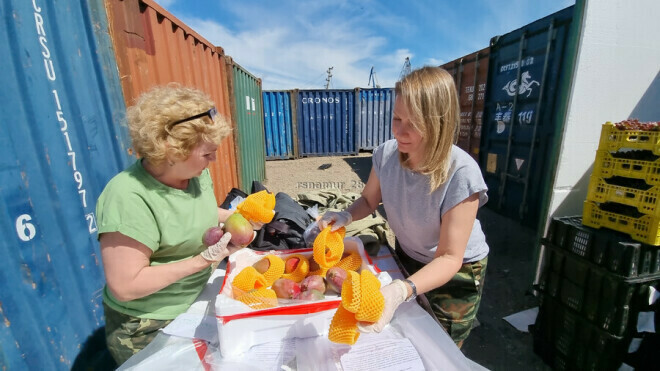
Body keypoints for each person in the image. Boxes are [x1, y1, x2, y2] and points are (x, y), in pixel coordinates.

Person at [319, 66, 489, 348]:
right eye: (396, 118)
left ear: (439, 122)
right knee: (405, 333)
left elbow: (449, 257)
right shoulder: (386, 154)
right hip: (408, 254)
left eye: (414, 122)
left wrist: (400, 290)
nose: (400, 131)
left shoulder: (461, 173)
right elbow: (369, 200)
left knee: (441, 344)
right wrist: (346, 215)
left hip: (456, 274)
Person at [96, 84, 248, 365]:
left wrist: (237, 218)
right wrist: (202, 260)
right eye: (207, 154)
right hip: (148, 325)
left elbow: (190, 210)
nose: (214, 160)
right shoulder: (128, 197)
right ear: (172, 150)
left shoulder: (195, 175)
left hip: (195, 300)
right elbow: (126, 286)